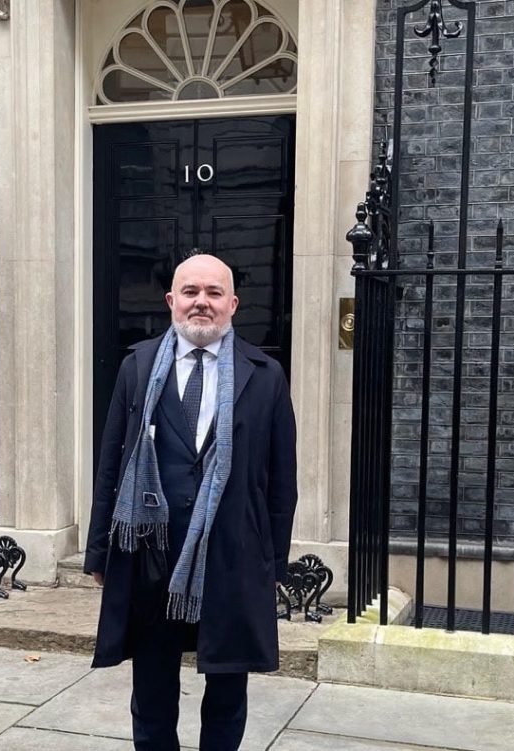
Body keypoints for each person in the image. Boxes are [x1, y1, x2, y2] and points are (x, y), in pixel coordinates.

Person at [84, 253, 298, 751]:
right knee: (152, 689)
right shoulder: (136, 367)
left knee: (227, 688)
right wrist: (100, 553)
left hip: (233, 556)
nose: (201, 302)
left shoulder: (265, 375)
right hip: (152, 555)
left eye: (214, 293)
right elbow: (111, 467)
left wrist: (274, 563)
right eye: (191, 292)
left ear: (233, 305)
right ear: (171, 301)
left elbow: (281, 479)